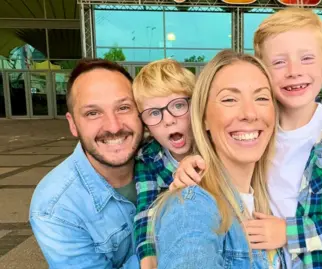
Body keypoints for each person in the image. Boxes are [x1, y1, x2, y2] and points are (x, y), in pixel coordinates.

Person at [170, 8, 322, 269]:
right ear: (263, 72)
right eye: (279, 62)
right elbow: (224, 156)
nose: (293, 71)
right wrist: (192, 163)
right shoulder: (260, 126)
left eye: (307, 58)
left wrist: (290, 233)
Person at [150, 49, 284, 268]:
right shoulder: (191, 208)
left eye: (261, 97)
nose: (249, 113)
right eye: (229, 99)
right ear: (203, 119)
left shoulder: (268, 198)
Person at [29, 59, 142, 269]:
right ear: (73, 124)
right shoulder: (56, 208)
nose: (114, 126)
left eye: (124, 107)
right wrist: (166, 243)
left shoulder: (165, 159)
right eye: (93, 113)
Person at [131, 59, 196, 269]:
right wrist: (148, 258)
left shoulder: (216, 145)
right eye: (154, 113)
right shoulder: (148, 158)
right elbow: (147, 209)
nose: (168, 120)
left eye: (178, 105)